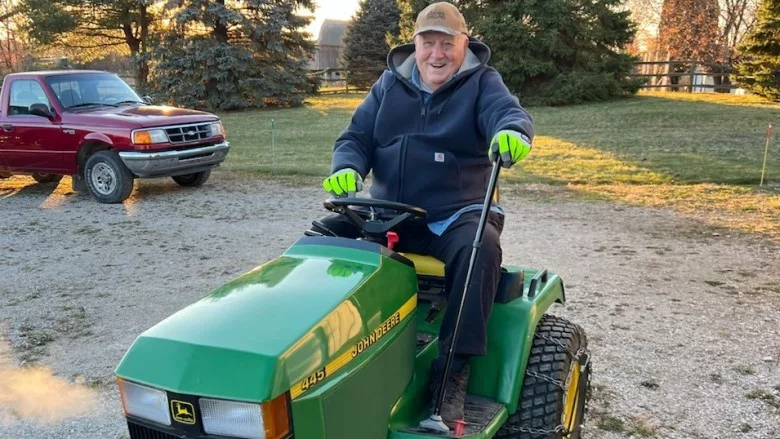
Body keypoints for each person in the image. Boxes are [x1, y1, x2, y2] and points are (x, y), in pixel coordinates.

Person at [314, 1, 533, 428]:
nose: (437, 54)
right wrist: (346, 166)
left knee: (479, 250)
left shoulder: (483, 82)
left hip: (455, 213)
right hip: (389, 212)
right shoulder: (388, 84)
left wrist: (513, 131)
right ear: (414, 45)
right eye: (428, 43)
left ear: (464, 43)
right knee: (318, 239)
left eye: (447, 44)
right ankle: (317, 347)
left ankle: (452, 373)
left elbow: (507, 113)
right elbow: (356, 136)